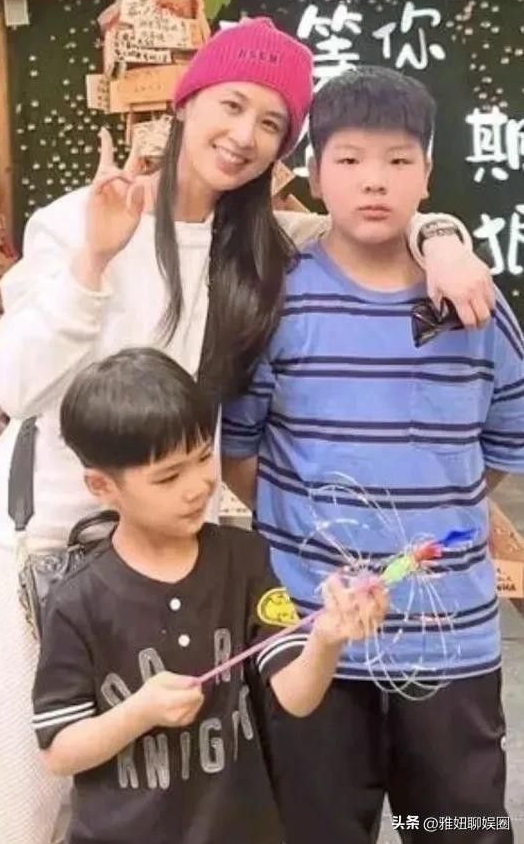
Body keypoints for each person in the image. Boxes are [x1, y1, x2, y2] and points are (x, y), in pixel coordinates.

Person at [0, 18, 494, 844]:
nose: (245, 135)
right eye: (231, 105)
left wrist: (445, 237)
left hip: (173, 552)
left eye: (272, 122)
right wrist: (94, 261)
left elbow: (372, 220)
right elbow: (17, 385)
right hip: (41, 542)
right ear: (185, 102)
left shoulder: (260, 244)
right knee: (17, 810)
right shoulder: (81, 218)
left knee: (153, 799)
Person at [221, 66, 524, 844]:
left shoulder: (475, 306)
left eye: (397, 159)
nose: (374, 180)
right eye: (350, 159)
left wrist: (429, 494)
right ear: (315, 174)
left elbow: (501, 447)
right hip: (310, 643)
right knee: (312, 831)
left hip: (449, 647)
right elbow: (240, 455)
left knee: (456, 828)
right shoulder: (276, 301)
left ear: (428, 172)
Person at [33, 346, 386, 844]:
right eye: (168, 476)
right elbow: (58, 750)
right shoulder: (77, 600)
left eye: (204, 456)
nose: (198, 485)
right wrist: (138, 713)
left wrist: (326, 640)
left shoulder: (244, 559)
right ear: (102, 486)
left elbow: (295, 699)